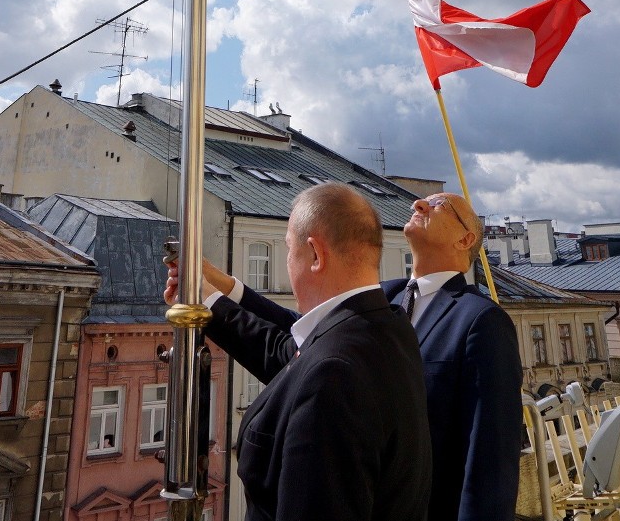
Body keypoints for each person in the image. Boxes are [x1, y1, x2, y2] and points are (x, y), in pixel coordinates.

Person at [172, 190, 522, 521]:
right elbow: (305, 340)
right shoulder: (388, 296)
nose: (419, 204)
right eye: (423, 201)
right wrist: (222, 288)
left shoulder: (481, 319)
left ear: (466, 240)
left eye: (440, 205)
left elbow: (490, 460)